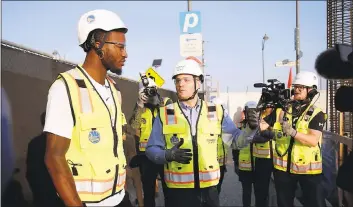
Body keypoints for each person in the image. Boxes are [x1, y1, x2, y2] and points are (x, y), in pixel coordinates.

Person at [145, 59, 259, 207]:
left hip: (209, 191)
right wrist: (167, 155)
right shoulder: (165, 113)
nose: (180, 84)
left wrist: (250, 128)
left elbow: (236, 141)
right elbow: (151, 149)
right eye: (178, 80)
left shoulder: (216, 111)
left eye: (186, 80)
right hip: (177, 193)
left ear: (198, 82)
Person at [44, 9, 129, 207]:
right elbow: (54, 157)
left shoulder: (115, 91)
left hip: (119, 198)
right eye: (120, 46)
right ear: (97, 44)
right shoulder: (66, 87)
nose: (125, 53)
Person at [260, 71, 327, 207]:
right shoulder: (282, 109)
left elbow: (313, 140)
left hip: (308, 171)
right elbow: (261, 127)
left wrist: (292, 132)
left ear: (311, 91)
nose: (296, 90)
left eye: (300, 87)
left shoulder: (317, 113)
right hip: (283, 170)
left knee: (315, 203)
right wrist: (264, 105)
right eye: (295, 86)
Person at [129, 77, 172, 207]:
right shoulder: (140, 108)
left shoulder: (166, 102)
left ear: (156, 90)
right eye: (145, 92)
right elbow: (133, 127)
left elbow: (173, 120)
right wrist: (139, 105)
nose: (149, 94)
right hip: (146, 156)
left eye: (151, 91)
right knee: (148, 192)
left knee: (169, 189)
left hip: (164, 153)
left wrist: (157, 103)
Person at [210, 97, 229, 195]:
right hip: (211, 162)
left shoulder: (224, 123)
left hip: (221, 162)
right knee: (212, 188)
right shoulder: (208, 123)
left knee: (217, 188)